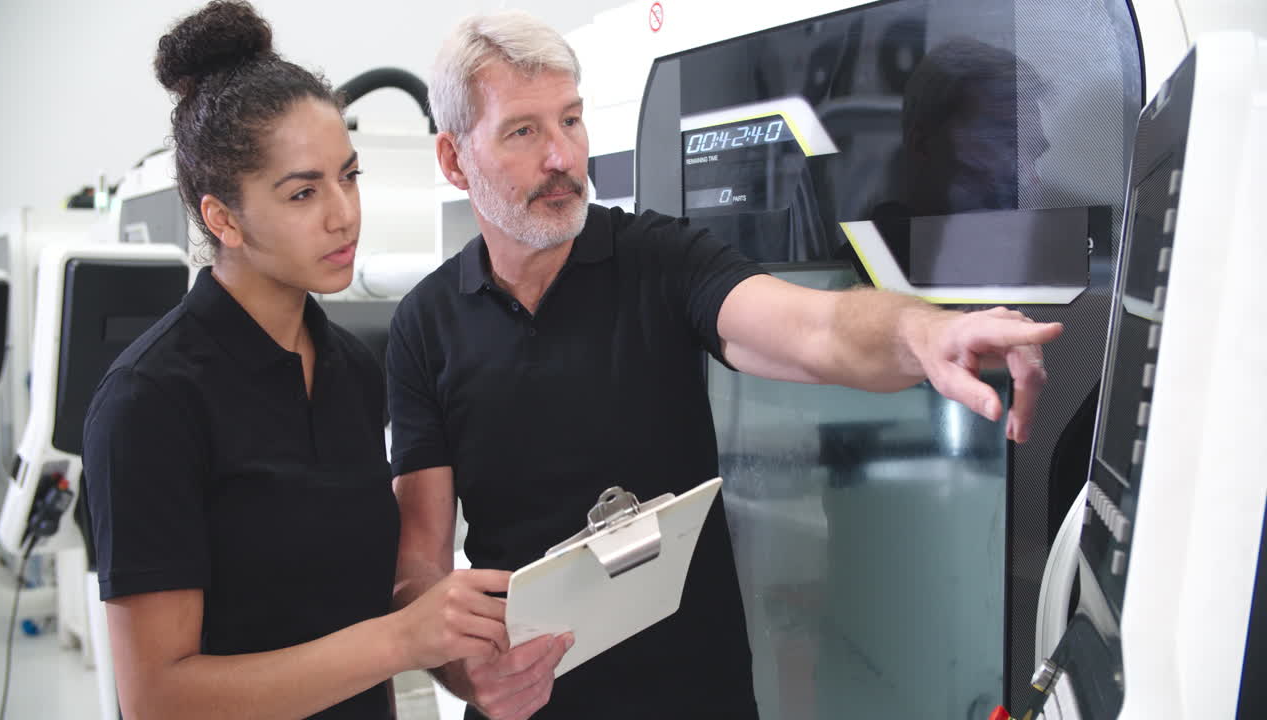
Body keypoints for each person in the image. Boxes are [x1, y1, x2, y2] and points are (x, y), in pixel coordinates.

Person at [386, 11, 1062, 720]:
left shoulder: (658, 261)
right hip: (527, 703)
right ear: (455, 160)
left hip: (692, 691)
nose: (562, 156)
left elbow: (816, 328)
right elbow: (418, 566)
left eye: (572, 120)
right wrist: (466, 677)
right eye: (524, 132)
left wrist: (925, 332)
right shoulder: (426, 324)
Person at [81, 3, 510, 718]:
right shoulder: (149, 403)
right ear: (223, 219)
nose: (344, 213)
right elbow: (159, 697)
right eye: (304, 192)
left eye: (350, 175)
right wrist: (400, 641)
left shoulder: (348, 367)